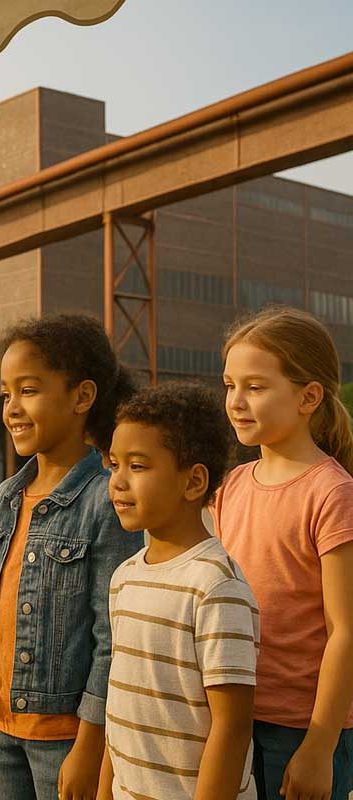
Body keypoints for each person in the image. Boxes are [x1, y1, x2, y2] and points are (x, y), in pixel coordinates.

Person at [0, 313, 144, 800]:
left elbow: (112, 638)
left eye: (29, 390)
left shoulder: (106, 502)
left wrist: (91, 745)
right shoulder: (6, 499)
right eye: (5, 394)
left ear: (82, 397)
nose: (12, 408)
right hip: (0, 729)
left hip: (65, 737)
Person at [214, 306, 353, 800]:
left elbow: (346, 631)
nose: (236, 401)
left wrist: (320, 745)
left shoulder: (331, 493)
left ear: (308, 396)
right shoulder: (231, 485)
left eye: (255, 386)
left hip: (302, 727)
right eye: (230, 385)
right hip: (234, 716)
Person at [100, 382, 258, 800]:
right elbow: (119, 705)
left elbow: (232, 725)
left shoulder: (215, 585)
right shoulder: (125, 577)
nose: (117, 482)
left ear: (193, 482)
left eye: (137, 466)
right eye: (114, 464)